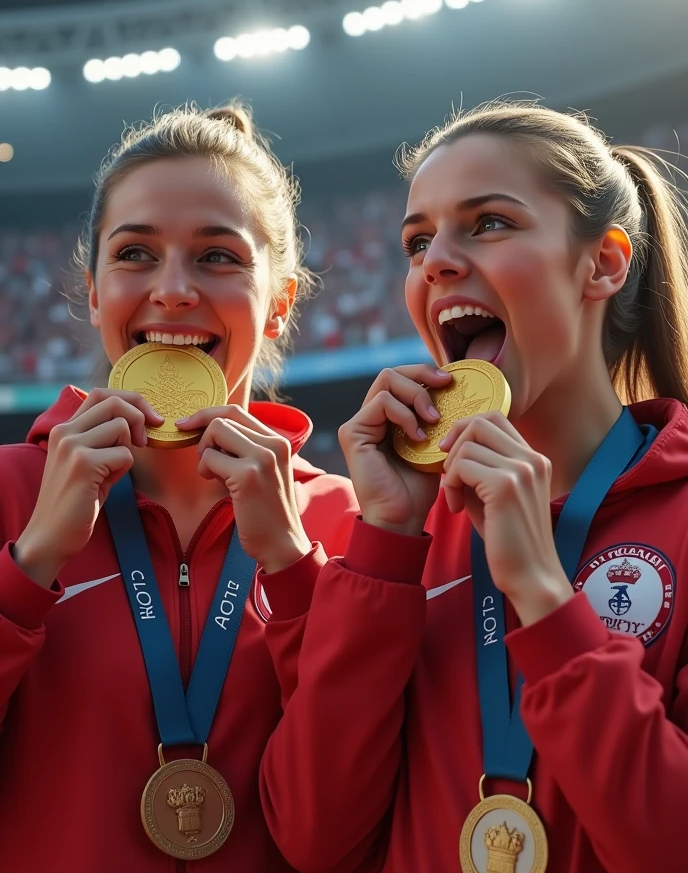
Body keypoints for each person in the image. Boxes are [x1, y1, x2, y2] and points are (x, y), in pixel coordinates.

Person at [259, 101, 688, 873]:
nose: (436, 262)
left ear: (604, 263)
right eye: (417, 241)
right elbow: (315, 840)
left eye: (488, 223)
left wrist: (544, 598)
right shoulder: (399, 537)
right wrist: (386, 541)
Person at [0, 103, 357, 872]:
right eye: (135, 253)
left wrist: (296, 576)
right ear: (93, 290)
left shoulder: (346, 520)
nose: (172, 289)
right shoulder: (7, 492)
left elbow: (343, 830)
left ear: (281, 303)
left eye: (218, 257)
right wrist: (29, 565)